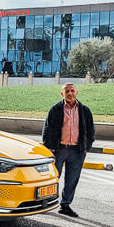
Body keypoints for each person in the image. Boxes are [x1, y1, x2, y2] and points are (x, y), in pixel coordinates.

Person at [42, 83, 95, 217]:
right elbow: (47, 129)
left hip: (77, 151)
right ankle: (44, 203)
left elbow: (90, 131)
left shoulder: (84, 110)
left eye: (72, 91)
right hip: (59, 150)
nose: (70, 93)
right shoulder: (55, 109)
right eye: (67, 91)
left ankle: (65, 205)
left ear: (77, 92)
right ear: (62, 94)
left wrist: (86, 148)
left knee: (72, 180)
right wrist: (49, 148)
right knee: (53, 178)